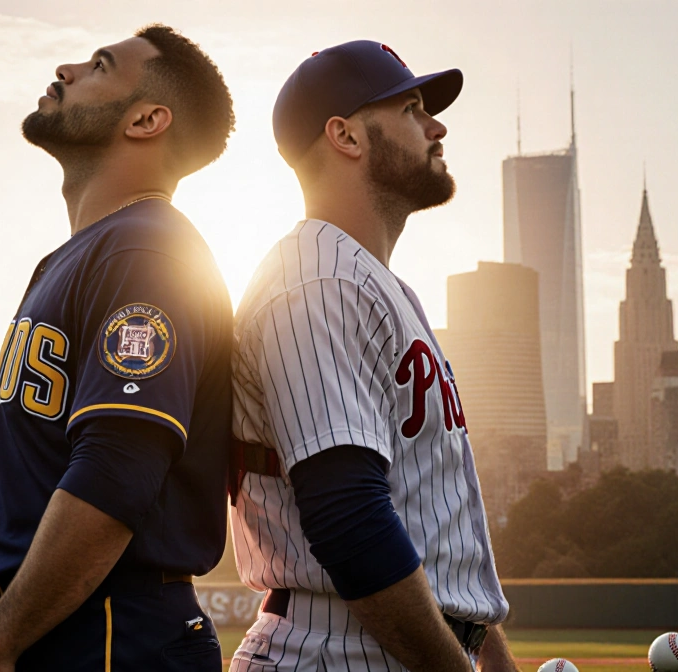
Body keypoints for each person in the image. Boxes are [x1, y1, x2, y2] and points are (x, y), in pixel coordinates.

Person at [227, 41, 519, 671]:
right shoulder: (318, 280)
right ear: (347, 136)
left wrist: (491, 659)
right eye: (412, 108)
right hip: (335, 649)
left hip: (393, 645)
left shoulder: (379, 285)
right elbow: (348, 516)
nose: (437, 125)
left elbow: (430, 527)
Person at [0, 24, 235, 672]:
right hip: (73, 626)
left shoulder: (147, 249)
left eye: (100, 66)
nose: (67, 68)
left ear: (146, 119)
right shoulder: (82, 254)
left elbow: (117, 468)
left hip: (112, 632)